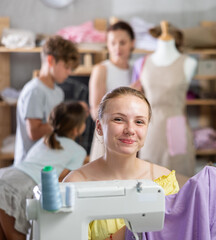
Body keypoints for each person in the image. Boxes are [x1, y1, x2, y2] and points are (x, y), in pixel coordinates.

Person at [64, 87, 180, 240]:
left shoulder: (164, 182)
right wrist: (129, 232)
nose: (130, 130)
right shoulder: (74, 185)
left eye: (139, 122)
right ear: (99, 126)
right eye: (118, 119)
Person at [0, 101, 87, 239]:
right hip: (22, 186)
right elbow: (63, 179)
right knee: (16, 236)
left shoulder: (45, 139)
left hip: (5, 176)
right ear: (76, 129)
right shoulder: (78, 151)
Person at [133, 20, 197, 177]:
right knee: (149, 177)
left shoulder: (188, 62)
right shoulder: (141, 63)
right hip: (151, 127)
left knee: (179, 179)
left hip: (177, 126)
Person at [14, 35, 80, 165]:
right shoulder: (35, 91)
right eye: (66, 67)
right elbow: (34, 132)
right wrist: (66, 119)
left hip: (46, 161)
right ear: (50, 60)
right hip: (29, 165)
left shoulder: (58, 92)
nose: (69, 72)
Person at [88, 20, 135, 161]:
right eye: (112, 43)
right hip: (106, 141)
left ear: (132, 43)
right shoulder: (101, 70)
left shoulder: (136, 70)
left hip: (131, 140)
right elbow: (95, 112)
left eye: (122, 42)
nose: (117, 48)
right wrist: (129, 94)